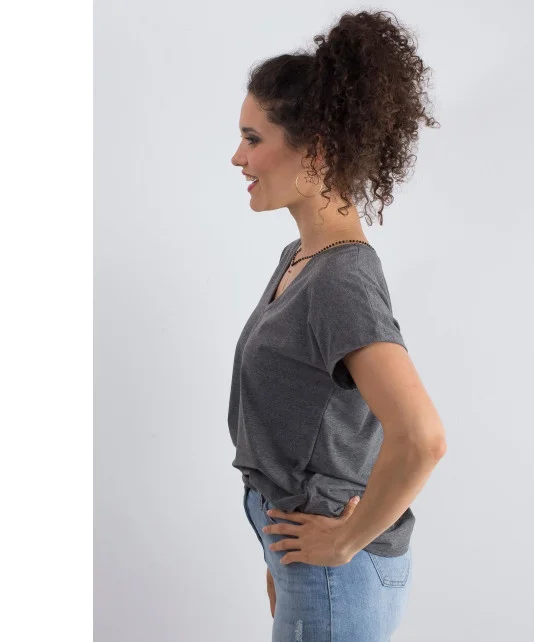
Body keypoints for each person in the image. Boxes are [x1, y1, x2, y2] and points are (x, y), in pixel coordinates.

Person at [228, 10, 446, 641]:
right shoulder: (301, 259)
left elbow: (423, 437)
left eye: (253, 138)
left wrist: (343, 542)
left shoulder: (339, 280)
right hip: (308, 564)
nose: (238, 157)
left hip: (335, 575)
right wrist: (282, 553)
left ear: (316, 151)